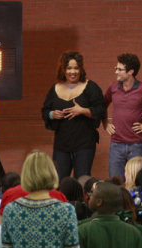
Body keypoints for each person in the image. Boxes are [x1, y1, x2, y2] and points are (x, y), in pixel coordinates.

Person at [41, 51, 105, 180]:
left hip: (84, 144)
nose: (73, 72)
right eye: (69, 68)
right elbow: (45, 111)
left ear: (81, 69)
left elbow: (101, 110)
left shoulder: (91, 87)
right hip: (62, 144)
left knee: (82, 180)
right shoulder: (55, 88)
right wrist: (52, 114)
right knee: (58, 181)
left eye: (76, 68)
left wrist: (83, 111)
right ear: (63, 70)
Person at [103, 53, 142, 180]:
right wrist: (105, 122)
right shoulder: (113, 87)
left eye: (120, 69)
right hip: (116, 144)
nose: (116, 72)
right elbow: (101, 106)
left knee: (137, 182)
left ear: (131, 71)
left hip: (137, 145)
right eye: (115, 68)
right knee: (116, 183)